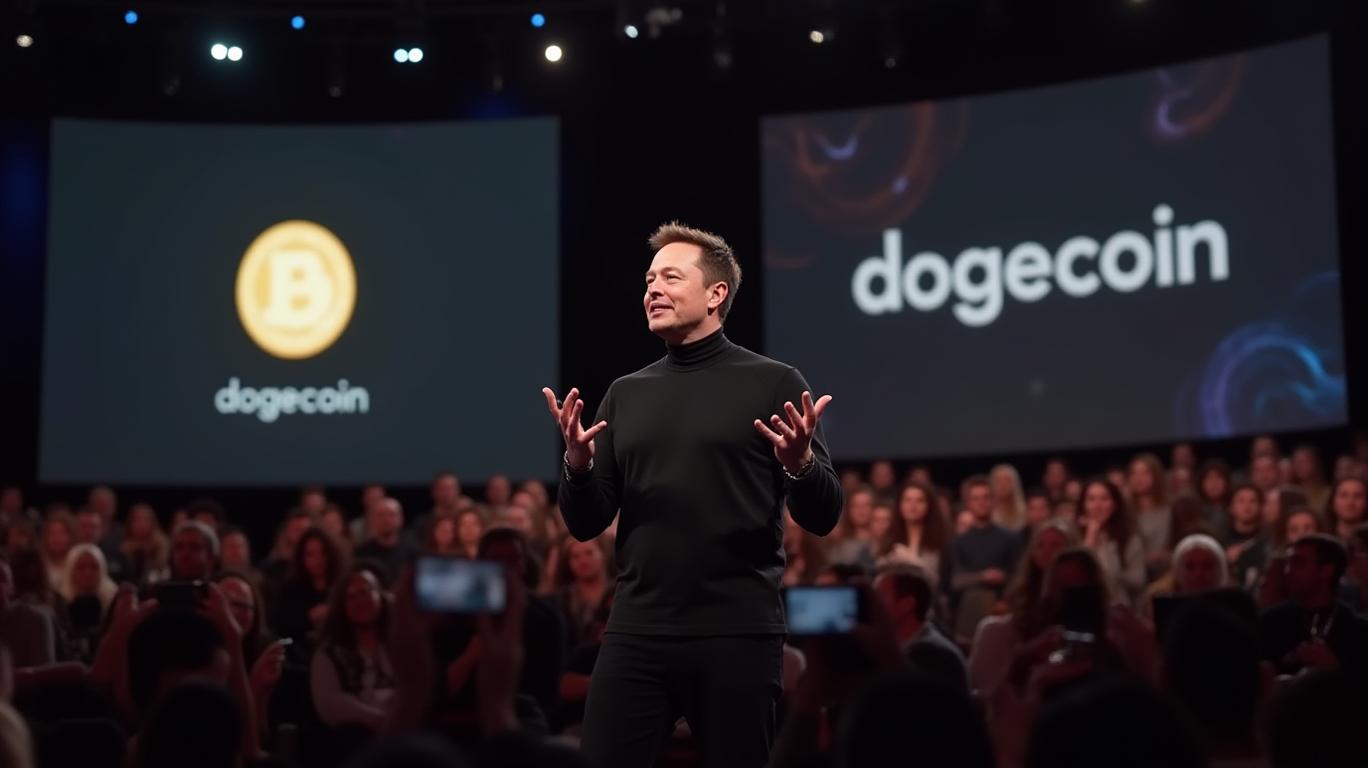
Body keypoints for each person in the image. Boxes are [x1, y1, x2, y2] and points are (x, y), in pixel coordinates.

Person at [543, 222, 842, 768]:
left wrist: (800, 464)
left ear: (715, 294)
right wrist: (578, 466)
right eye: (649, 280)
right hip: (637, 629)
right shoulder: (625, 393)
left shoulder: (774, 383)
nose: (653, 289)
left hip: (737, 631)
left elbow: (823, 516)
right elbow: (585, 524)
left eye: (671, 277)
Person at [1260, 534, 1368, 684]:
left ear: (1326, 571)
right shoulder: (1269, 623)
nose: (1288, 571)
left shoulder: (1358, 632)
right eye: (1288, 563)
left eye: (1298, 563)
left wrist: (1334, 668)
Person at [310, 563, 395, 731]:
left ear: (380, 595)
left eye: (365, 592)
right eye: (351, 596)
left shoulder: (402, 645)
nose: (360, 601)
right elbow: (329, 706)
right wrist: (376, 719)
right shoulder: (328, 654)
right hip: (357, 736)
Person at [872, 566, 965, 681]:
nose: (870, 603)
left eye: (879, 596)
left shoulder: (928, 655)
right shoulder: (908, 645)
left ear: (907, 604)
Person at [1078, 479, 1146, 607]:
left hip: (1120, 606)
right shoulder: (1073, 536)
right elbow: (1078, 574)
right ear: (1083, 504)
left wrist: (1114, 574)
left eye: (1104, 499)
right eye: (1091, 499)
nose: (1097, 506)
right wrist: (1091, 535)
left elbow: (1138, 580)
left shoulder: (1129, 538)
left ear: (1114, 505)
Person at [878, 481, 949, 589]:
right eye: (907, 500)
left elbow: (937, 581)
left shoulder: (939, 542)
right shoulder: (889, 540)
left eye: (919, 501)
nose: (913, 505)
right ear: (899, 505)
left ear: (929, 506)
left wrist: (912, 560)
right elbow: (879, 574)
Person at [353, 498, 416, 584]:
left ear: (401, 519)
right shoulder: (361, 553)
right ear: (372, 519)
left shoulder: (413, 552)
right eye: (381, 515)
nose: (386, 520)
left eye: (391, 515)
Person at [120, 502, 169, 586]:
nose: (141, 524)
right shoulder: (124, 548)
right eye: (137, 520)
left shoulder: (161, 546)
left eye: (146, 519)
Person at [1324, 476, 1366, 542]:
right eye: (1344, 495)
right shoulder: (1322, 540)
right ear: (1332, 501)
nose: (1350, 502)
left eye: (1357, 496)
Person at [990, 464, 1028, 532]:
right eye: (999, 481)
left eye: (1007, 481)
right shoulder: (986, 512)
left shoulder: (1024, 512)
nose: (1003, 485)